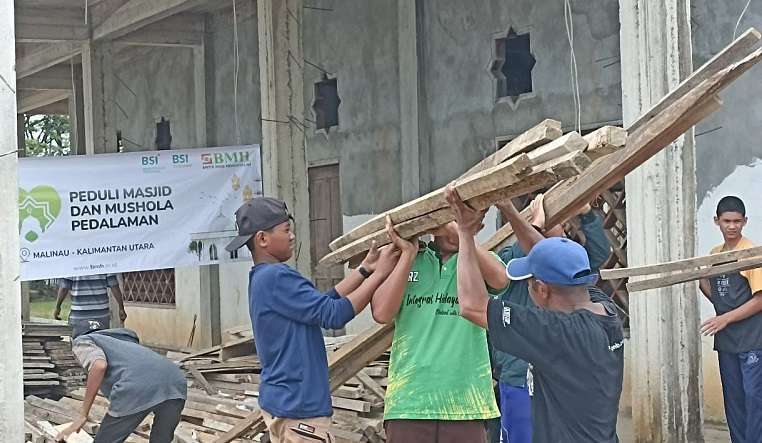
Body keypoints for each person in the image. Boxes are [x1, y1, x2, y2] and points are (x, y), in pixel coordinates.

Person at [446, 186, 623, 443]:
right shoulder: (603, 309)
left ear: (541, 289)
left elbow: (472, 305)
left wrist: (464, 231)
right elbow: (549, 255)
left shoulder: (556, 332)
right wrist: (510, 209)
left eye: (529, 283)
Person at [225, 197, 399, 443]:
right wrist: (381, 273)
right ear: (262, 239)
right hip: (300, 412)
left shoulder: (263, 278)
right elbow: (334, 314)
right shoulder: (276, 276)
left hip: (283, 403)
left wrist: (365, 271)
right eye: (286, 230)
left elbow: (322, 303)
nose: (293, 236)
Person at [371, 213, 508, 443]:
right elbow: (382, 313)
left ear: (478, 227)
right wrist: (408, 254)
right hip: (409, 402)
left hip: (466, 404)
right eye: (447, 223)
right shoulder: (409, 260)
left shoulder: (479, 262)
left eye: (461, 221)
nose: (451, 230)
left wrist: (461, 233)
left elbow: (501, 280)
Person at [492, 194, 610, 443]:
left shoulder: (569, 265)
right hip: (520, 374)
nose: (563, 228)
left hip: (564, 374)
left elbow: (599, 253)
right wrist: (534, 226)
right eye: (555, 221)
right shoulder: (513, 260)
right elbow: (511, 267)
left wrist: (587, 213)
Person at [698, 196, 762, 443]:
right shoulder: (715, 254)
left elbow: (759, 300)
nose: (732, 226)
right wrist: (701, 278)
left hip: (752, 339)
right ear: (717, 221)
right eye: (727, 221)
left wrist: (724, 319)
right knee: (733, 399)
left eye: (737, 221)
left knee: (754, 398)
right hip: (727, 342)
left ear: (744, 221)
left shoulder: (752, 254)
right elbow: (715, 292)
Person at [57, 327, 187, 442]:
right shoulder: (122, 341)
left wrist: (83, 415)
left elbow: (99, 366)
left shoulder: (83, 341)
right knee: (161, 439)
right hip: (176, 381)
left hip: (136, 385)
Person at [55, 274, 127, 338]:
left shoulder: (72, 262)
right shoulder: (105, 262)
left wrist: (57, 307)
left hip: (79, 316)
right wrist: (121, 308)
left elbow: (64, 288)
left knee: (78, 346)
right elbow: (114, 285)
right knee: (101, 344)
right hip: (101, 315)